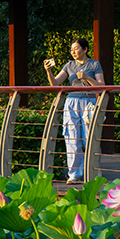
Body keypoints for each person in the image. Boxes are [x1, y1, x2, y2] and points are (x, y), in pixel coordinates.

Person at [44, 38, 104, 182]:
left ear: (85, 49)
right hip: (71, 103)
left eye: (76, 48)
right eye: (71, 49)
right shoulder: (69, 65)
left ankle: (94, 172)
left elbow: (101, 86)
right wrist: (49, 71)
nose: (73, 52)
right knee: (72, 138)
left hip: (89, 102)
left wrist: (87, 77)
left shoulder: (94, 64)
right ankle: (74, 174)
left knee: (90, 138)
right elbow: (55, 83)